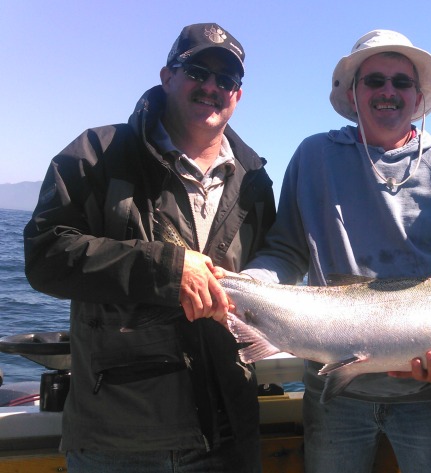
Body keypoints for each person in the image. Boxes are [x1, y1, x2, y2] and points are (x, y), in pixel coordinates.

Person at [240, 29, 431, 473]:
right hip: (333, 394)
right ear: (353, 92)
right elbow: (285, 252)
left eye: (401, 83)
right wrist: (246, 286)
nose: (388, 91)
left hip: (430, 398)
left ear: (419, 97)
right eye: (375, 80)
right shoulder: (313, 156)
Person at [24, 23, 276, 472]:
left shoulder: (255, 182)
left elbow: (270, 270)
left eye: (226, 80)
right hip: (118, 441)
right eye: (197, 71)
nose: (211, 87)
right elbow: (45, 256)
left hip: (229, 435)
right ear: (166, 76)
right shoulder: (96, 154)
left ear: (238, 96)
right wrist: (167, 270)